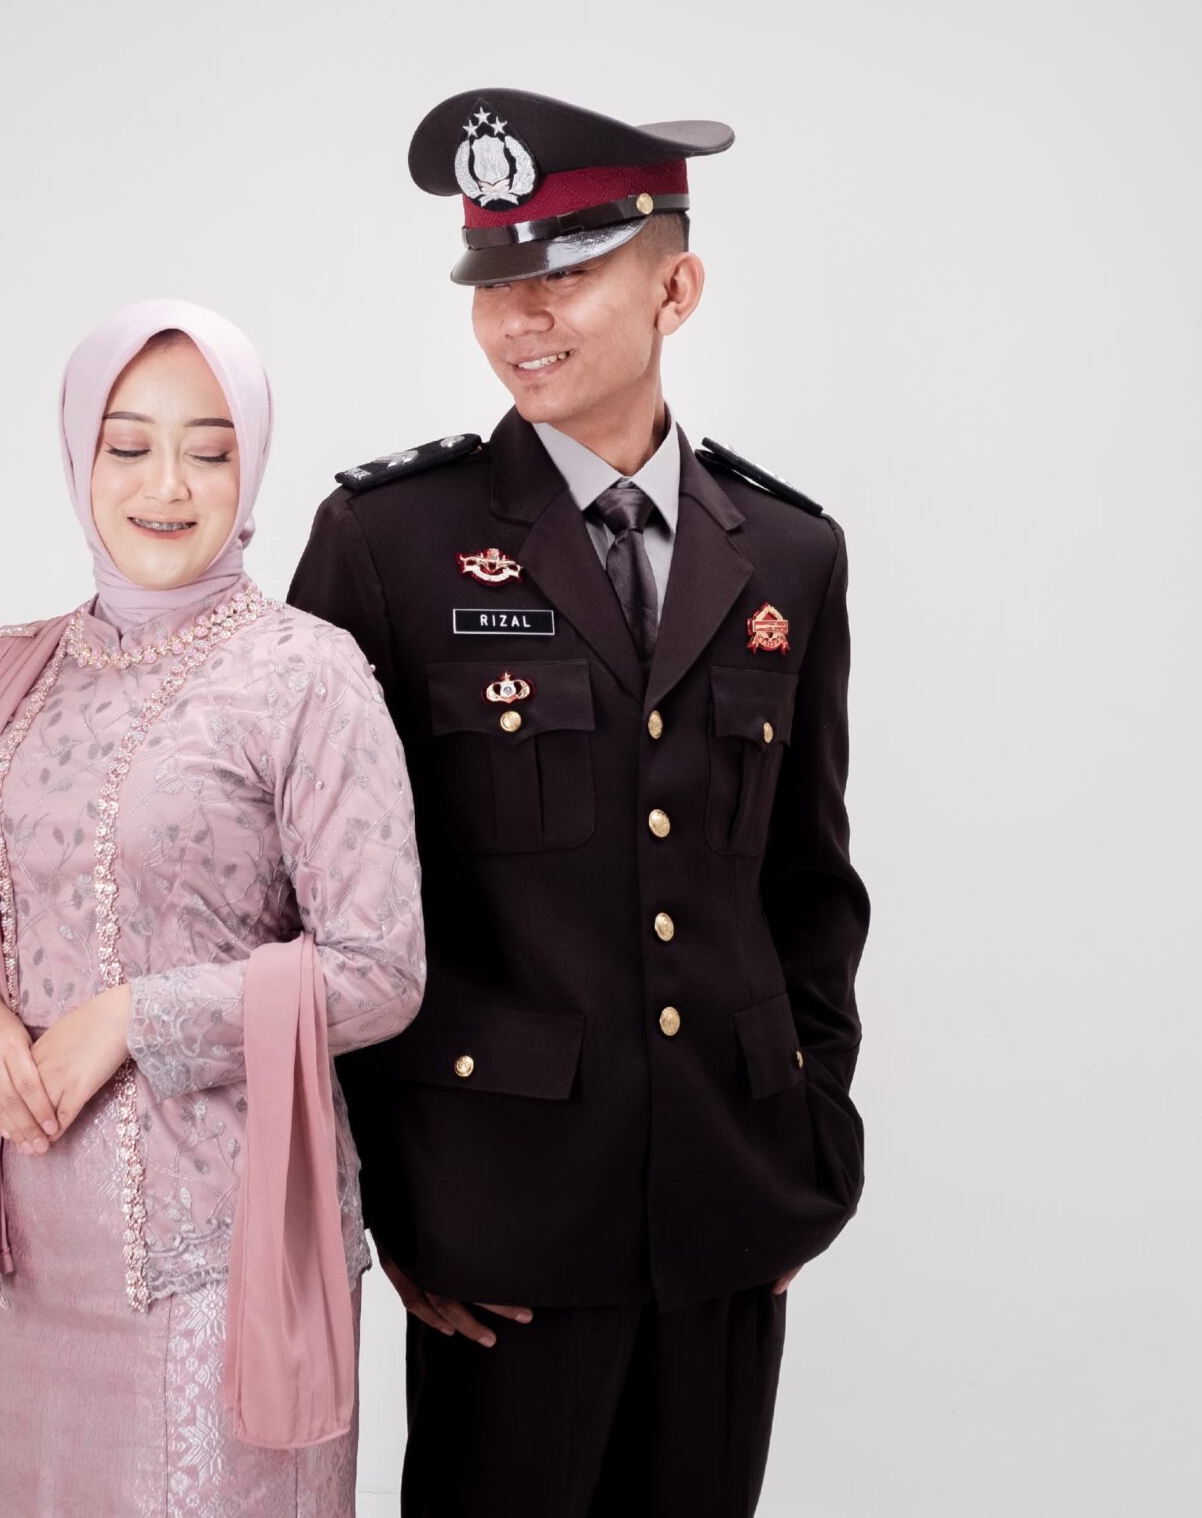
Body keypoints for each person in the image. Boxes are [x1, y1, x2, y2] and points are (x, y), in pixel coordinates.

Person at [286, 89, 873, 1517]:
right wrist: (382, 1201)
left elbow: (809, 886)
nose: (520, 318)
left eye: (565, 275)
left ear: (676, 288)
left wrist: (811, 1142)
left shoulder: (789, 552)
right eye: (495, 283)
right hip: (496, 1223)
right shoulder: (388, 544)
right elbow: (307, 902)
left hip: (728, 1208)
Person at [0, 299, 426, 1514]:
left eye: (210, 449)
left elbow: (379, 967)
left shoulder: (306, 672)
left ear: (252, 466)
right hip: (30, 1249)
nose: (168, 485)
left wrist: (136, 1016)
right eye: (129, 444)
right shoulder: (2, 670)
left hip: (225, 1253)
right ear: (79, 453)